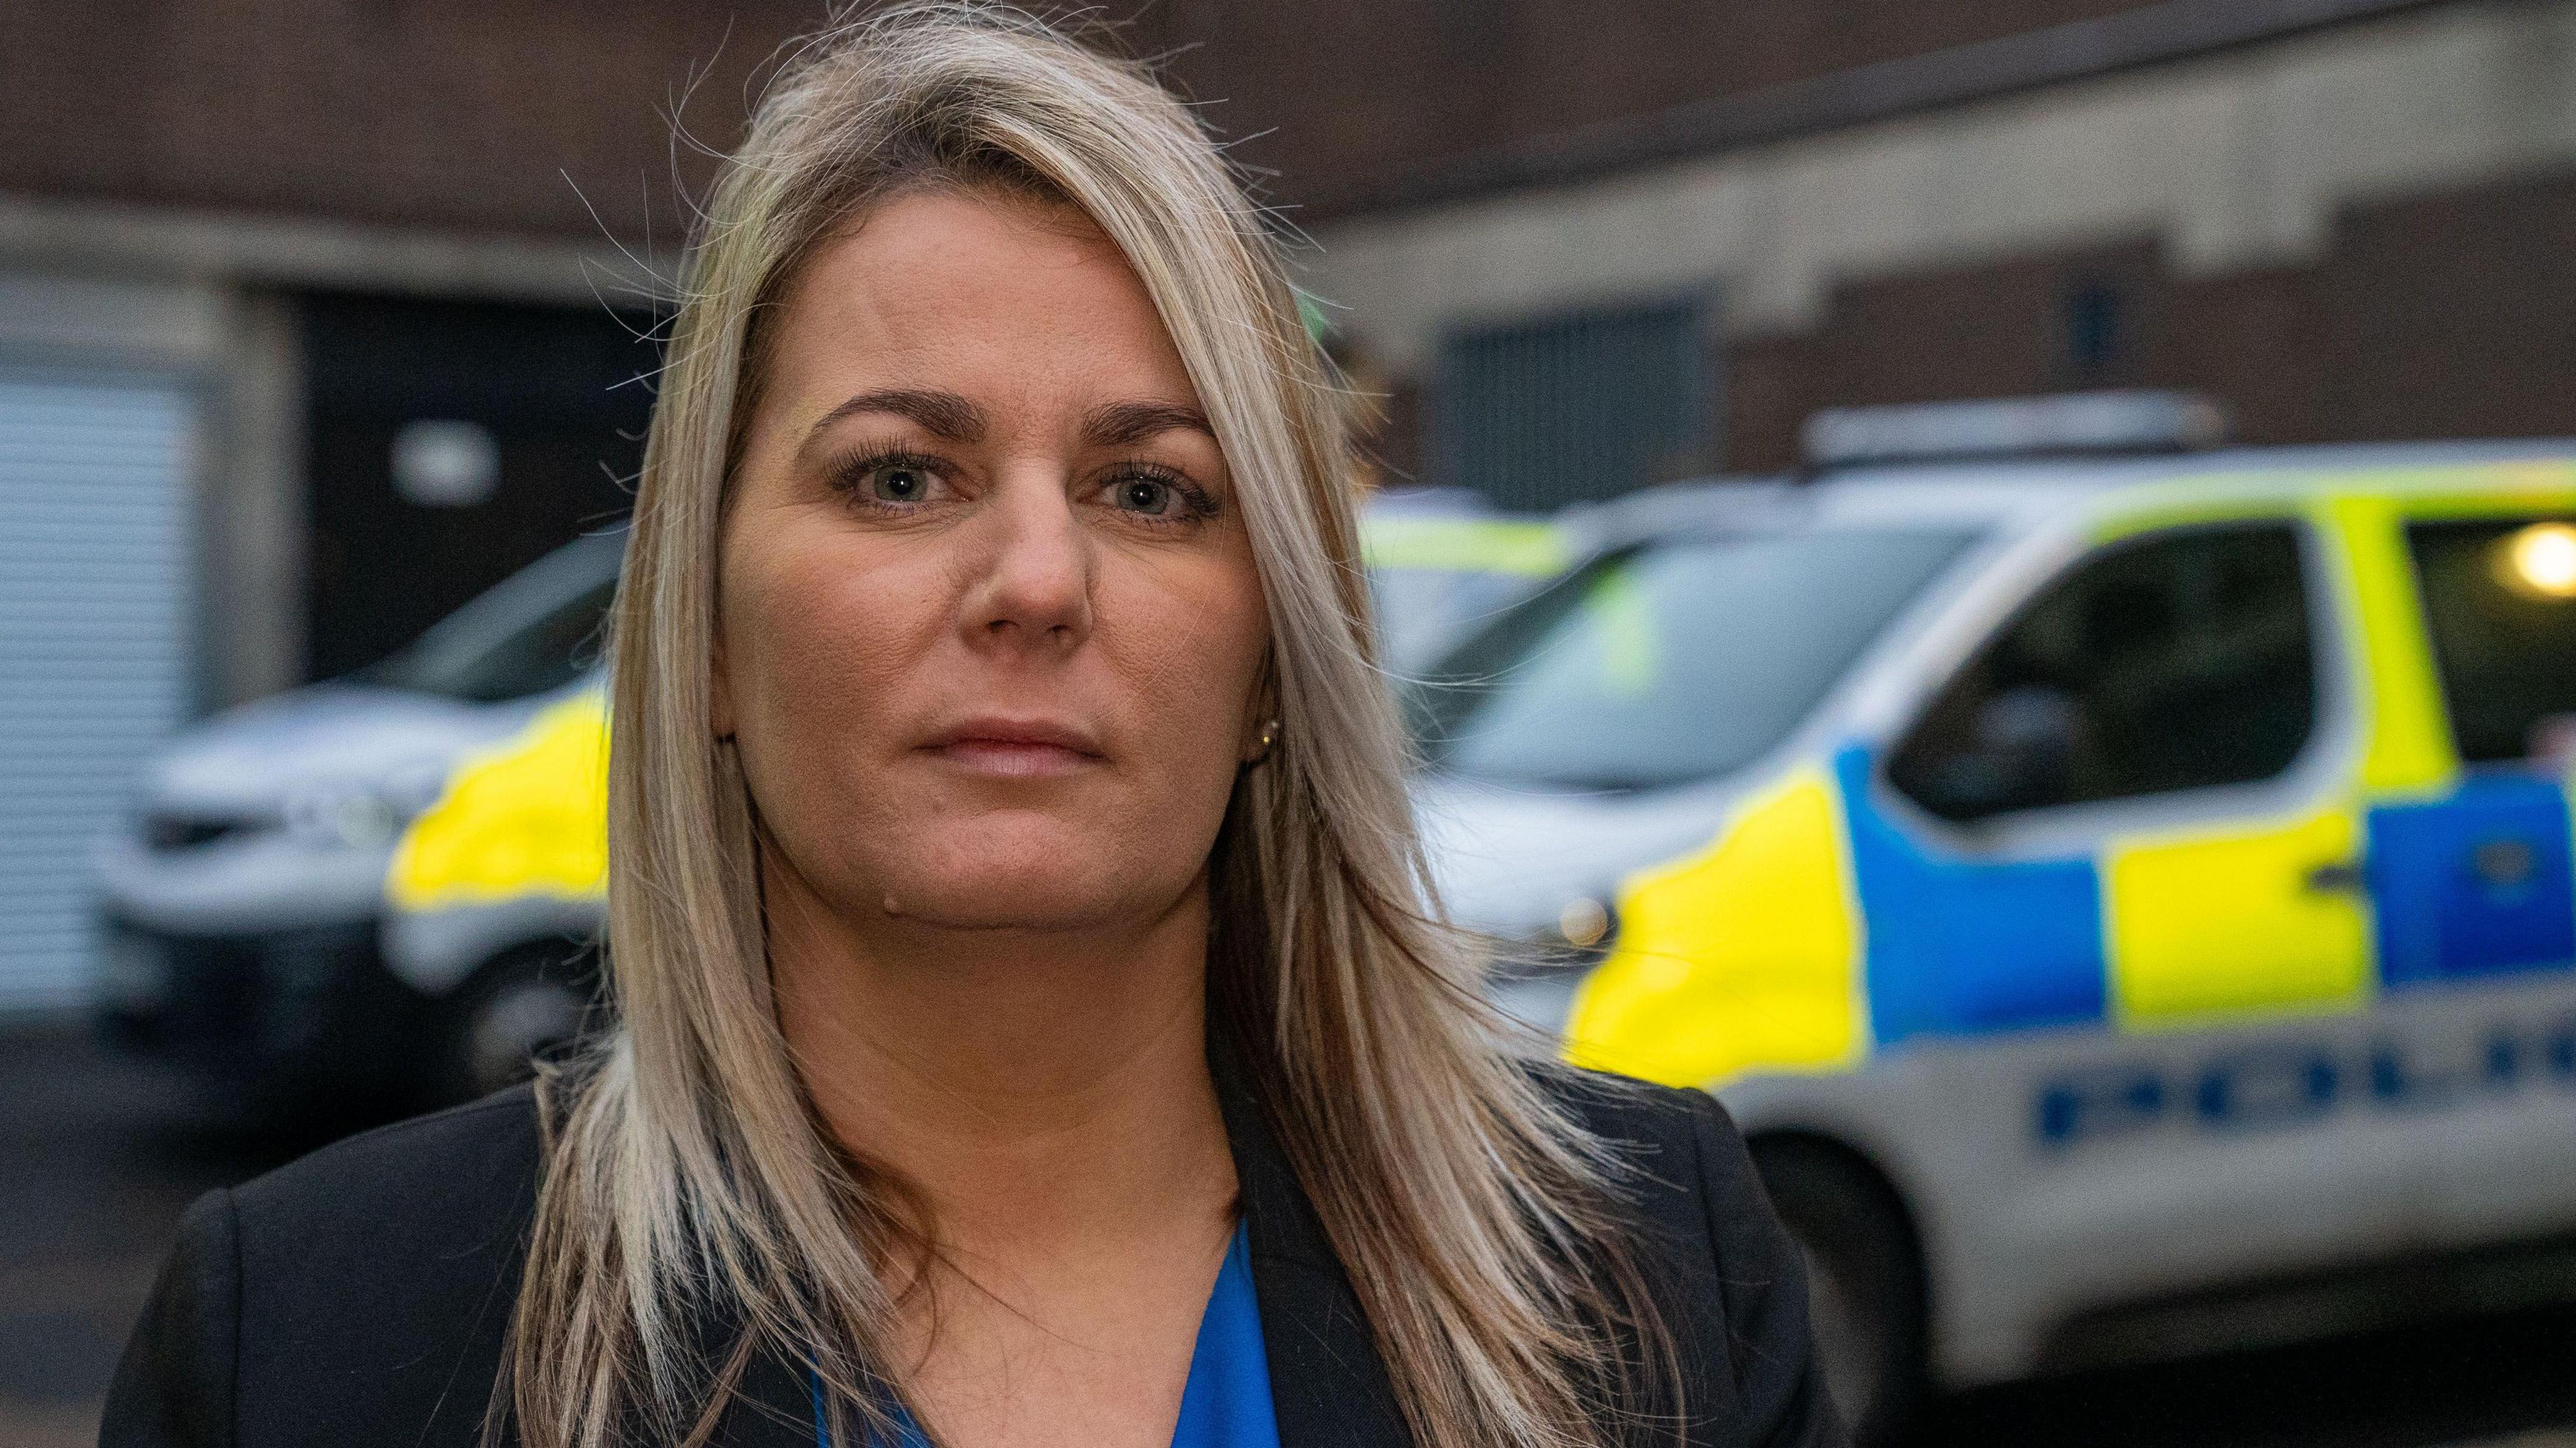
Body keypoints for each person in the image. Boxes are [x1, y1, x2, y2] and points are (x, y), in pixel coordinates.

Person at [100, 7, 1842, 1447]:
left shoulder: (1645, 1278)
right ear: (701, 634)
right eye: (902, 474)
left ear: (1271, 661)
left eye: (1151, 489)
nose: (1035, 578)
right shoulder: (318, 1345)